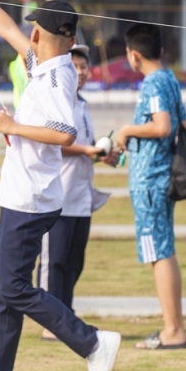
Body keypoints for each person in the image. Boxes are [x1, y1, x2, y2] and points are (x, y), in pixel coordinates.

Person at [0, 0, 120, 371]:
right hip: (21, 193)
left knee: (13, 288)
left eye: (32, 31)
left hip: (33, 198)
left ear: (39, 35)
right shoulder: (43, 63)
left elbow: (65, 132)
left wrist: (11, 127)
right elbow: (4, 25)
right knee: (2, 291)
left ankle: (92, 342)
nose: (28, 36)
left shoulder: (58, 76)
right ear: (71, 40)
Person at [113, 23, 186, 351]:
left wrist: (127, 129)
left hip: (150, 182)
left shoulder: (154, 82)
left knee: (158, 253)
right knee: (163, 250)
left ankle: (173, 330)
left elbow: (163, 126)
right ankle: (174, 326)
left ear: (134, 55)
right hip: (161, 179)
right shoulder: (170, 79)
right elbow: (183, 124)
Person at [37, 44, 116, 341]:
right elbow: (52, 141)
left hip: (81, 197)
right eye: (74, 66)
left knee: (73, 262)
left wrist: (102, 154)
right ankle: (50, 323)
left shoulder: (82, 104)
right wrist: (86, 149)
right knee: (53, 262)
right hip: (57, 197)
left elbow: (86, 144)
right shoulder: (56, 101)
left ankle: (64, 316)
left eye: (83, 67)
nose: (80, 72)